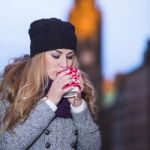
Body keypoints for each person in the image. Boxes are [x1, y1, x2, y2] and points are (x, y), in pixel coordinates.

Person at [0, 18, 101, 150]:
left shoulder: (82, 90)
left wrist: (78, 107)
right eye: (55, 55)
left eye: (70, 57)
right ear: (39, 58)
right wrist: (51, 100)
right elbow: (7, 146)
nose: (64, 64)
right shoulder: (13, 87)